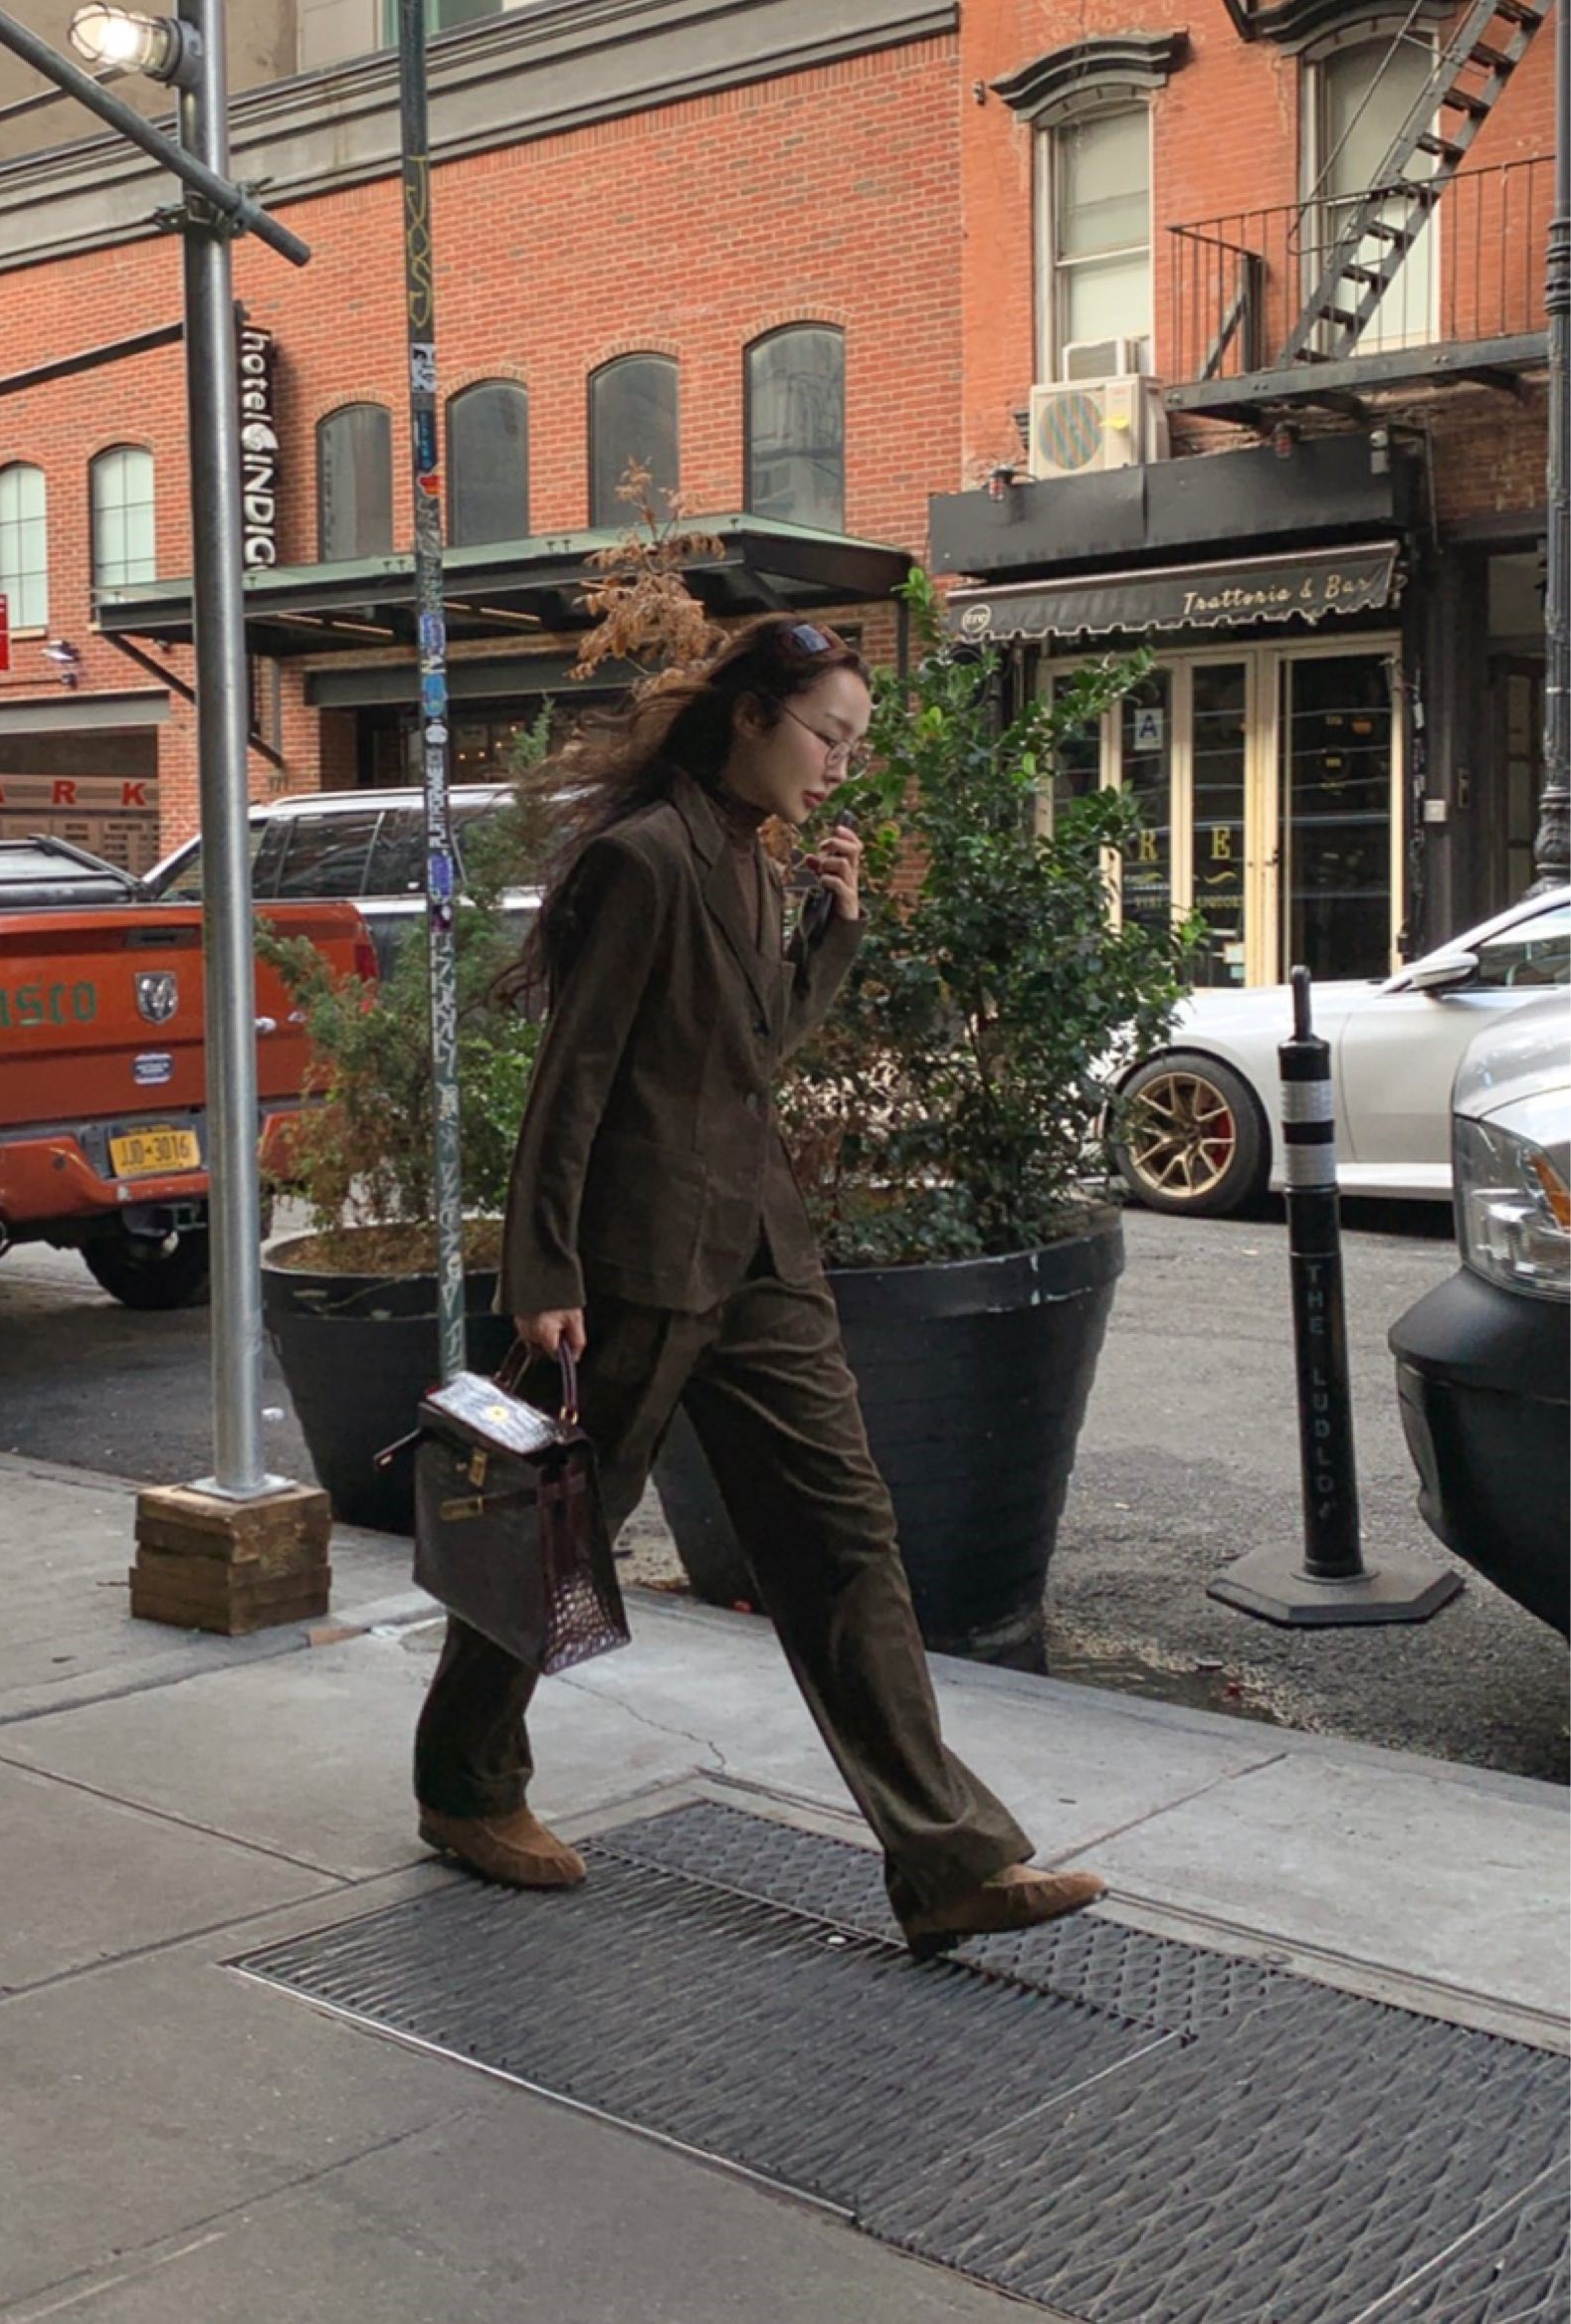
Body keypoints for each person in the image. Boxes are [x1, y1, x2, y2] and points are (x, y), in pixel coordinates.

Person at [412, 615, 1103, 1956]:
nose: (840, 766)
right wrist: (543, 1267)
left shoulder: (753, 864)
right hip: (635, 1268)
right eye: (827, 736)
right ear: (750, 717)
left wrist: (834, 926)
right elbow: (575, 1077)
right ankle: (467, 1783)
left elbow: (756, 1049)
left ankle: (948, 1861)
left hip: (760, 1261)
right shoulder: (644, 860)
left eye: (854, 745)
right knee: (558, 1533)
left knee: (845, 1538)